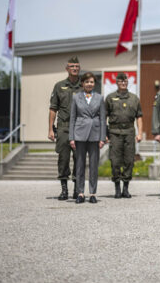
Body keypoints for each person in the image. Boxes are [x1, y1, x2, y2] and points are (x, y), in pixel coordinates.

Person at [69, 72, 106, 203]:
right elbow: (72, 118)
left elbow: (103, 119)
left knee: (93, 165)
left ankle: (92, 193)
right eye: (87, 82)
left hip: (95, 135)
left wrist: (102, 137)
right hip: (80, 134)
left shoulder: (100, 98)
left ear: (94, 84)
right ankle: (80, 193)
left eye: (91, 82)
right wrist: (71, 137)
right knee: (79, 165)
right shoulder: (76, 97)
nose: (89, 84)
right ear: (82, 83)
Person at [48, 56, 82, 200]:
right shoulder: (59, 86)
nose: (75, 68)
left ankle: (76, 189)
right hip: (63, 128)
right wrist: (50, 129)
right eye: (72, 66)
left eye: (77, 66)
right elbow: (53, 109)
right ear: (67, 68)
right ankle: (64, 190)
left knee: (79, 159)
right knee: (63, 159)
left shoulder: (84, 86)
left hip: (80, 128)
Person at [105, 72, 143, 199]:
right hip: (114, 133)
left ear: (127, 82)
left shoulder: (134, 98)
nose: (123, 83)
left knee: (129, 161)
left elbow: (139, 117)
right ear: (117, 82)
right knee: (115, 161)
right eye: (120, 81)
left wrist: (139, 133)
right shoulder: (110, 98)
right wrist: (104, 134)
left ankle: (125, 188)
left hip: (129, 133)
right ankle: (117, 187)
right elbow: (104, 116)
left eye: (125, 81)